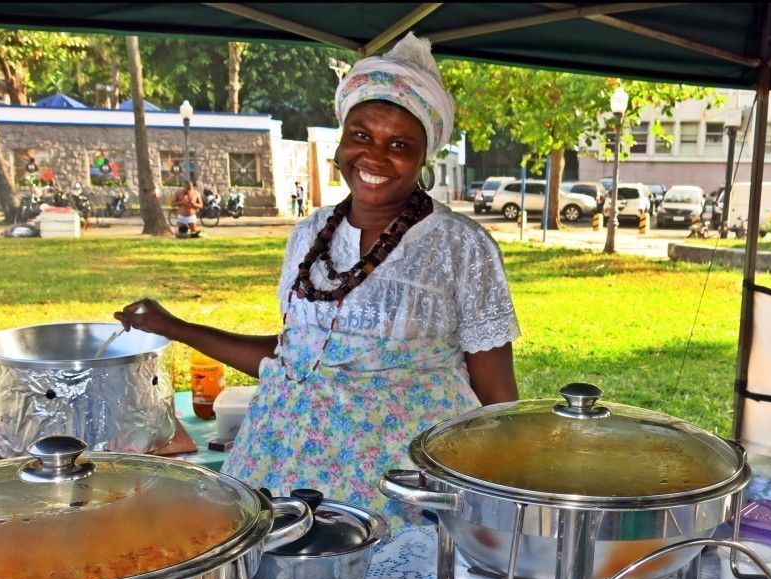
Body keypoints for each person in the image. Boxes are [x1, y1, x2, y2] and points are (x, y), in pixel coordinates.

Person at [114, 32, 520, 523]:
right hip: (280, 468)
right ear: (342, 138)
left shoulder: (462, 247)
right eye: (362, 135)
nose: (374, 156)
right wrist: (173, 327)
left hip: (399, 490)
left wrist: (498, 501)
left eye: (400, 144)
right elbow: (292, 357)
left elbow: (498, 400)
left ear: (424, 157)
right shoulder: (308, 235)